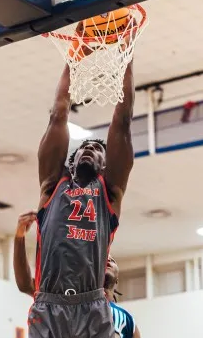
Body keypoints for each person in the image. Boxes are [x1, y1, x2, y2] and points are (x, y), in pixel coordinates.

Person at [25, 36, 135, 338]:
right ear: (70, 163)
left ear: (105, 165)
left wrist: (127, 56)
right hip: (49, 302)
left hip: (92, 306)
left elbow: (123, 122)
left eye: (96, 149)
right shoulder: (52, 185)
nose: (88, 149)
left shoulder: (109, 192)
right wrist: (72, 61)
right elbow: (57, 115)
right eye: (82, 147)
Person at [14, 212, 141, 338]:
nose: (107, 260)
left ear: (118, 279)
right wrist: (19, 237)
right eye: (103, 260)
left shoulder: (128, 321)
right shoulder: (72, 295)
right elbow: (25, 285)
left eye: (111, 260)